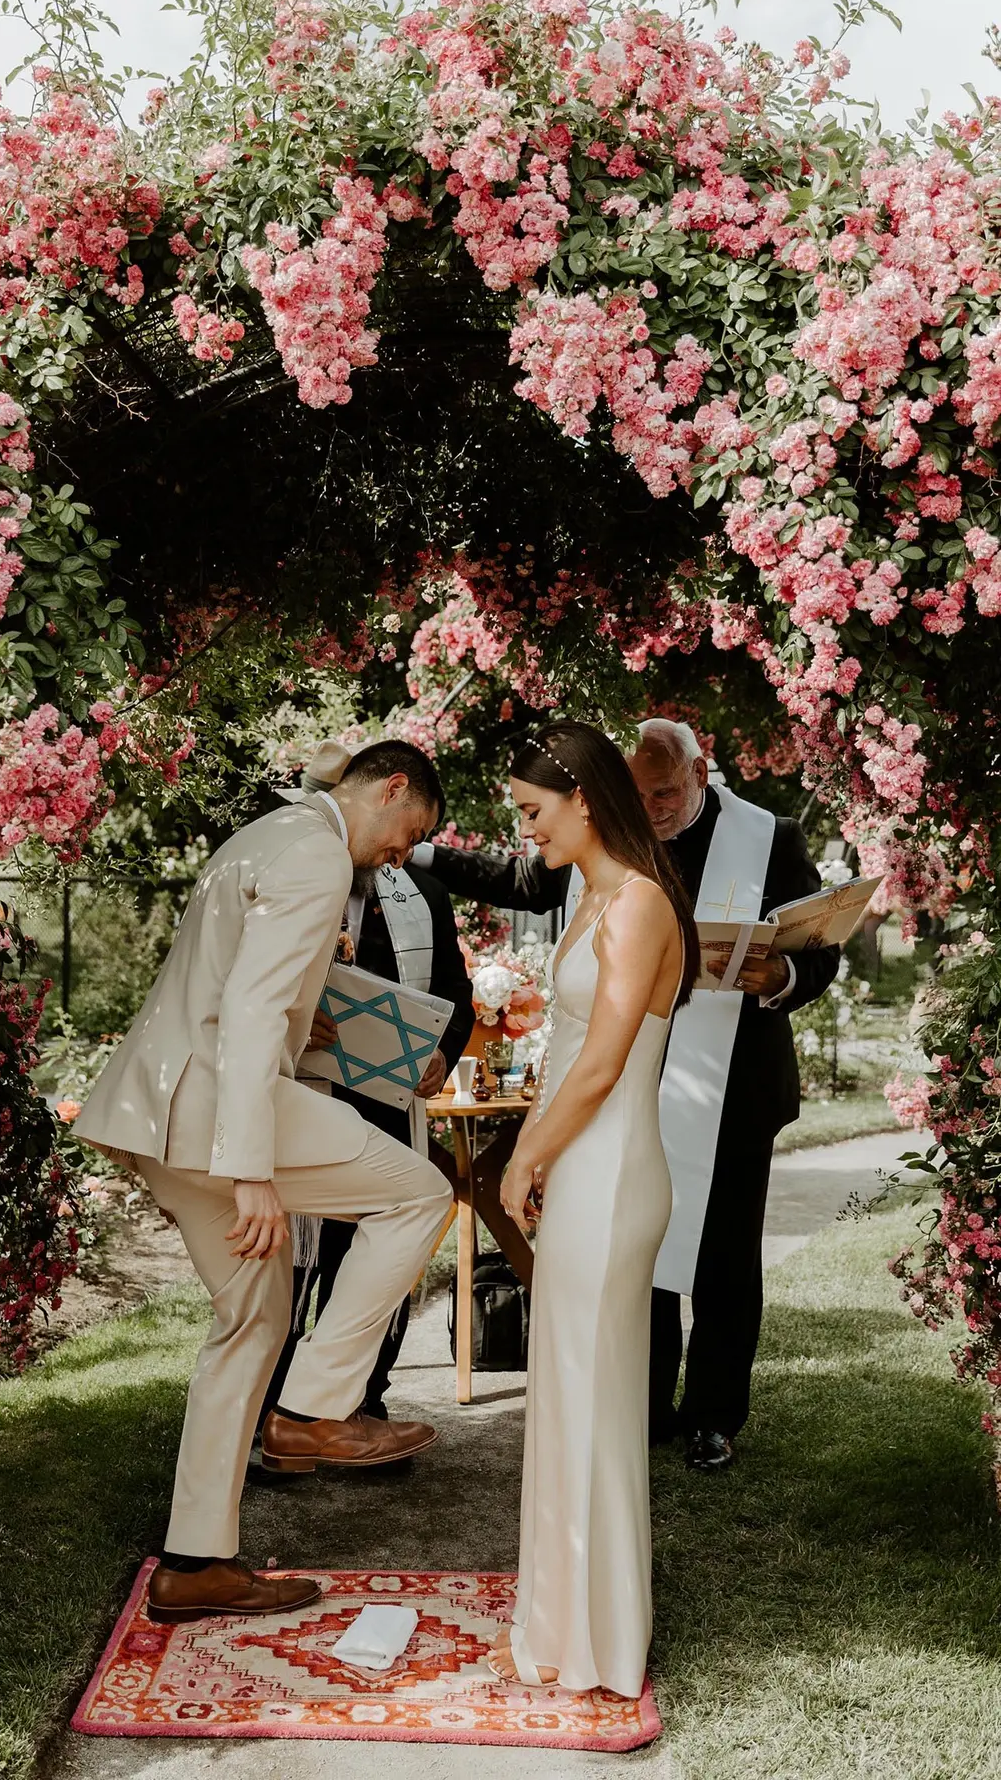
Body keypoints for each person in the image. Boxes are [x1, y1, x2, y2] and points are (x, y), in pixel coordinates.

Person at [76, 740, 453, 1624]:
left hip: (163, 1117)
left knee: (252, 1324)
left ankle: (196, 1562)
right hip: (222, 1115)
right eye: (410, 831)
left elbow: (233, 989)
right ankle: (314, 1409)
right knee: (421, 1193)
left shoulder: (262, 836)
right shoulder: (320, 855)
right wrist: (250, 1173)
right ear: (391, 788)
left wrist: (304, 1023)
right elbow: (247, 1014)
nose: (403, 853)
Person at [416, 718, 839, 1472]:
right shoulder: (610, 843)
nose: (651, 809)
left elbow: (819, 947)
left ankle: (714, 1416)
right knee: (637, 1250)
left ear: (700, 772)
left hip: (736, 1084)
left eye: (665, 793)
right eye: (637, 794)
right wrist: (420, 851)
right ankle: (642, 1404)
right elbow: (522, 882)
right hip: (639, 1082)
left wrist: (781, 976)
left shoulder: (769, 836)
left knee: (724, 1258)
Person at [485, 721, 698, 1695]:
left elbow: (605, 1065)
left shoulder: (638, 903)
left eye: (533, 811)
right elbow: (566, 1053)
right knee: (566, 1395)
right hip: (579, 1164)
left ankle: (601, 1642)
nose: (526, 830)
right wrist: (535, 1150)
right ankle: (562, 1622)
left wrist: (522, 1158)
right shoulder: (594, 896)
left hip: (608, 1172)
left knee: (593, 1399)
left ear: (582, 798)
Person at [259, 814, 475, 1431]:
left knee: (372, 1260)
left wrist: (443, 1054)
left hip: (386, 1103)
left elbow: (455, 994)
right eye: (405, 833)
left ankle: (359, 1401)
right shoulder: (293, 879)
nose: (403, 852)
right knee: (289, 1266)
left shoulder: (424, 895)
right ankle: (272, 1408)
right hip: (302, 1096)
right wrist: (292, 1024)